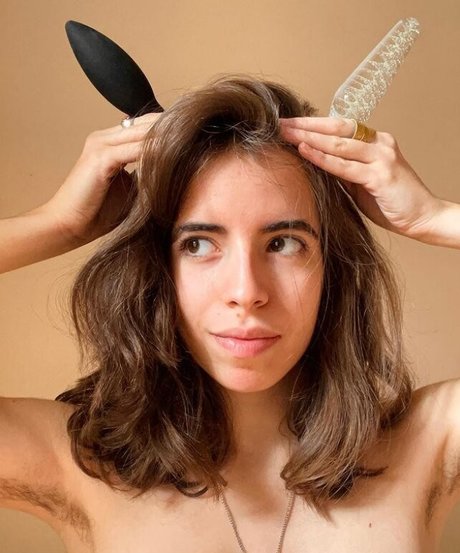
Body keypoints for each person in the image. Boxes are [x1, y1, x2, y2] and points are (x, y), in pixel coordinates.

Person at [1, 74, 459, 553]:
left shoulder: (427, 445)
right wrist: (57, 223)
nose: (246, 292)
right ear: (159, 270)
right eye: (199, 244)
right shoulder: (78, 463)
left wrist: (436, 218)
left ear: (332, 267)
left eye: (283, 244)